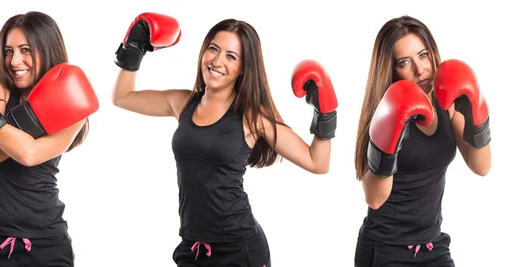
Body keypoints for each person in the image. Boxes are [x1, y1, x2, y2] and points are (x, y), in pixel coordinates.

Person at [111, 12, 338, 267]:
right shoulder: (183, 102)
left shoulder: (253, 116)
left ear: (243, 68)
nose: (217, 61)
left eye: (231, 56)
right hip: (193, 247)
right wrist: (135, 46)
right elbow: (123, 97)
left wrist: (325, 114)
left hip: (239, 249)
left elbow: (317, 162)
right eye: (213, 49)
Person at [0, 11, 99, 266]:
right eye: (9, 51)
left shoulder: (70, 100)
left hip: (47, 242)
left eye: (25, 50)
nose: (14, 61)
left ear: (47, 49)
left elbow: (29, 154)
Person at [353, 15, 492, 266]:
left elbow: (480, 165)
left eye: (423, 55)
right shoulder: (384, 113)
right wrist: (390, 135)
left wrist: (477, 116)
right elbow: (374, 198)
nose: (419, 69)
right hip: (385, 249)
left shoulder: (445, 103)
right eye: (404, 62)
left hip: (433, 245)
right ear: (391, 70)